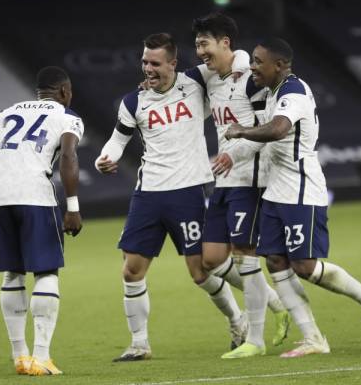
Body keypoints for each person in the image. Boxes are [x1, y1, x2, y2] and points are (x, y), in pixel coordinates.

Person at [225, 38, 361, 358]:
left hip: (301, 188)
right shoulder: (274, 90)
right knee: (274, 260)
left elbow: (277, 129)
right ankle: (313, 337)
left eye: (260, 62)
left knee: (303, 265)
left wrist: (242, 130)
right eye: (253, 60)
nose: (253, 67)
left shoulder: (294, 91)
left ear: (281, 65)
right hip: (277, 189)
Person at [95, 33, 250, 362]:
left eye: (154, 63)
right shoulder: (133, 102)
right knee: (131, 270)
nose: (148, 69)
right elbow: (117, 141)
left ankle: (239, 320)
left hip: (188, 190)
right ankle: (139, 344)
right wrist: (104, 158)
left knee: (200, 273)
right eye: (144, 62)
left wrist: (244, 66)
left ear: (173, 63)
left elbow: (237, 56)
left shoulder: (195, 81)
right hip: (148, 194)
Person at [0, 66, 84, 375]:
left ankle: (20, 357)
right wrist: (73, 207)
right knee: (46, 271)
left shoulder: (7, 113)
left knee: (12, 274)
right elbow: (68, 156)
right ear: (65, 92)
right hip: (34, 193)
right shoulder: (67, 118)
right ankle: (41, 356)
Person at [191, 12, 290, 359]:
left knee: (244, 255)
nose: (200, 51)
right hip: (225, 180)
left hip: (251, 179)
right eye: (197, 45)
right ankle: (276, 302)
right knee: (212, 259)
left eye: (205, 44)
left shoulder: (252, 78)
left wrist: (235, 155)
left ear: (225, 43)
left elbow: (268, 132)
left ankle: (255, 340)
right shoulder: (211, 78)